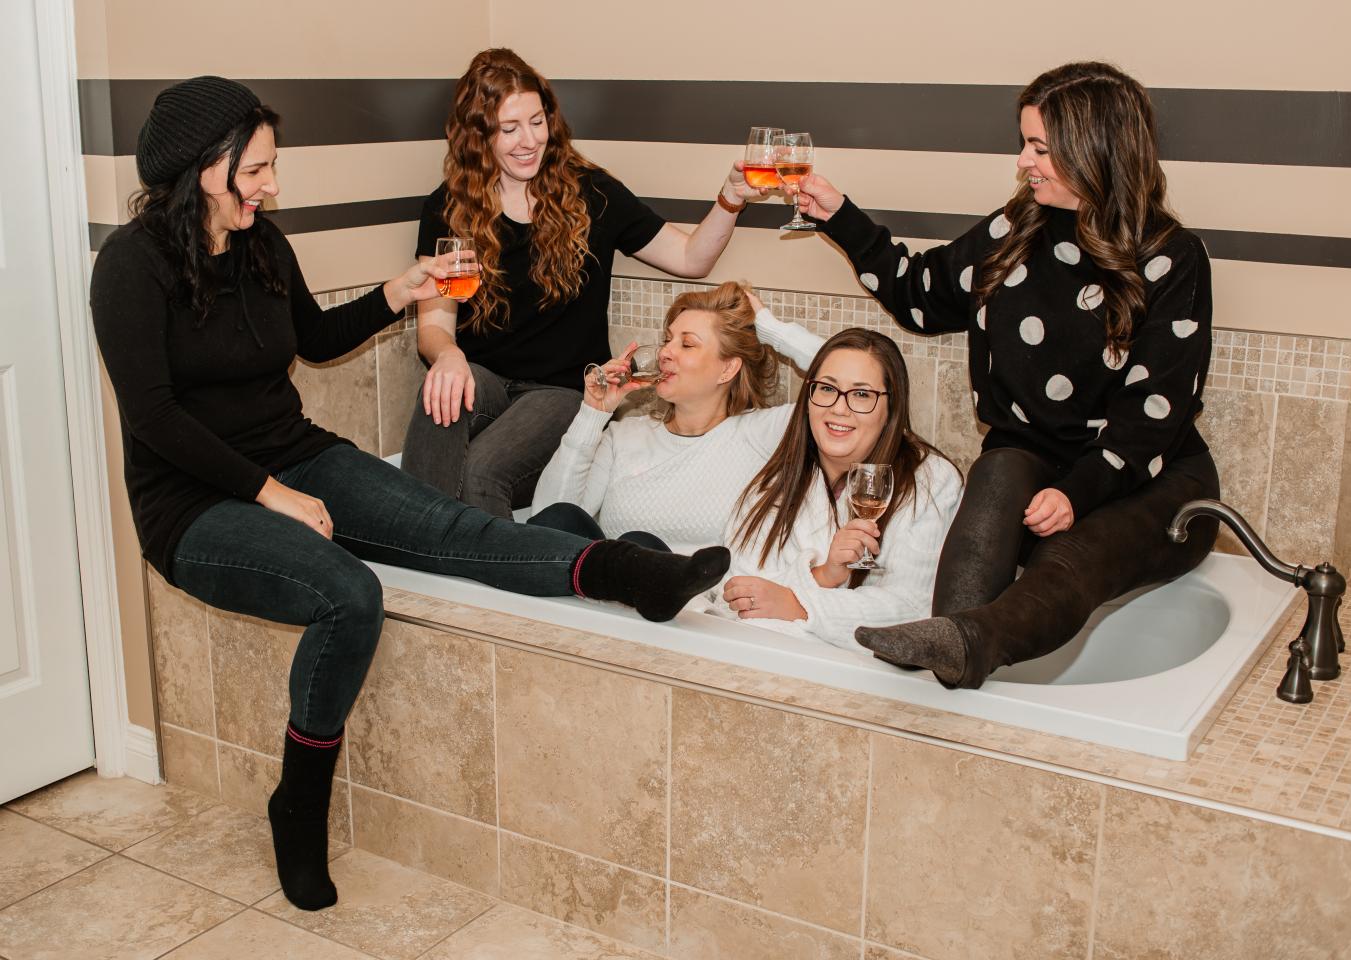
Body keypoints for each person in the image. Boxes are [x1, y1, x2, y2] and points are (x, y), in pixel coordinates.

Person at [89, 77, 729, 913]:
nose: (271, 187)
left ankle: (628, 574)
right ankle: (300, 808)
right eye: (257, 171)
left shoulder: (259, 244)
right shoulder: (129, 268)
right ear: (206, 170)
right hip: (193, 505)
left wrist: (404, 290)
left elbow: (313, 340)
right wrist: (269, 493)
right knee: (349, 594)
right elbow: (155, 418)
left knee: (454, 524)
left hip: (295, 457)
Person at [793, 61, 1220, 687]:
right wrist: (839, 215)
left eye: (1040, 148)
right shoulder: (1016, 229)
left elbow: (1153, 414)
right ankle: (950, 660)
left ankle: (967, 644)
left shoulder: (1171, 257)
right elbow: (921, 295)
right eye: (1025, 144)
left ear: (1093, 149)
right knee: (997, 467)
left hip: (1148, 479)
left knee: (1070, 556)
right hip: (1034, 464)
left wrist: (1077, 493)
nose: (1024, 162)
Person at [403, 48, 766, 516]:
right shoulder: (447, 206)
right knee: (442, 393)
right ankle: (412, 541)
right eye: (508, 129)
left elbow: (691, 258)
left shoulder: (591, 193)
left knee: (482, 472)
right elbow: (434, 327)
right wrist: (448, 357)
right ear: (479, 136)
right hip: (487, 382)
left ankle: (492, 577)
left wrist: (731, 198)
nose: (529, 140)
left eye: (537, 121)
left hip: (561, 391)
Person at [529, 282, 823, 553]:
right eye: (667, 340)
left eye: (687, 344)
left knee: (640, 547)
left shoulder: (765, 433)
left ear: (728, 369)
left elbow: (855, 378)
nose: (665, 352)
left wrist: (773, 329)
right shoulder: (625, 436)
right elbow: (549, 519)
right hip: (610, 600)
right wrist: (593, 413)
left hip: (704, 605)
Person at [715, 328, 961, 647]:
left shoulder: (929, 482)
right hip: (763, 659)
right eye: (827, 388)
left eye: (861, 395)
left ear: (891, 409)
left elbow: (911, 609)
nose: (839, 408)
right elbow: (734, 594)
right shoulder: (775, 481)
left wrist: (800, 606)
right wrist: (823, 577)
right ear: (808, 398)